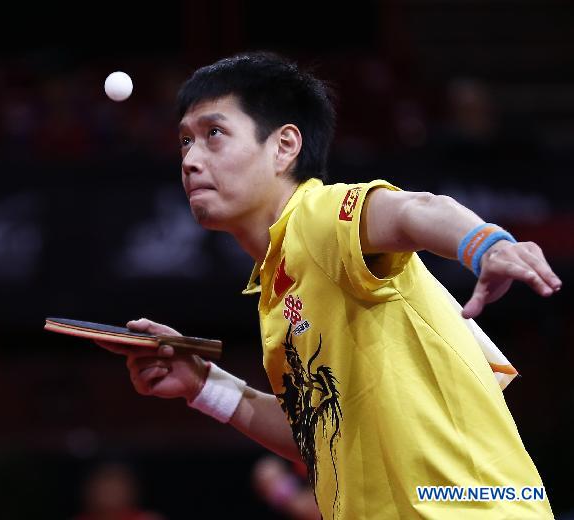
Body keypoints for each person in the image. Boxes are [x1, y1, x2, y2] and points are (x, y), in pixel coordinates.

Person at [99, 52, 562, 519]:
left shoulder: (316, 217)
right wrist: (202, 384)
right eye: (184, 141)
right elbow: (319, 436)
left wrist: (485, 244)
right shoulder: (278, 289)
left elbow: (413, 209)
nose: (191, 160)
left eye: (213, 134)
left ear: (284, 147)